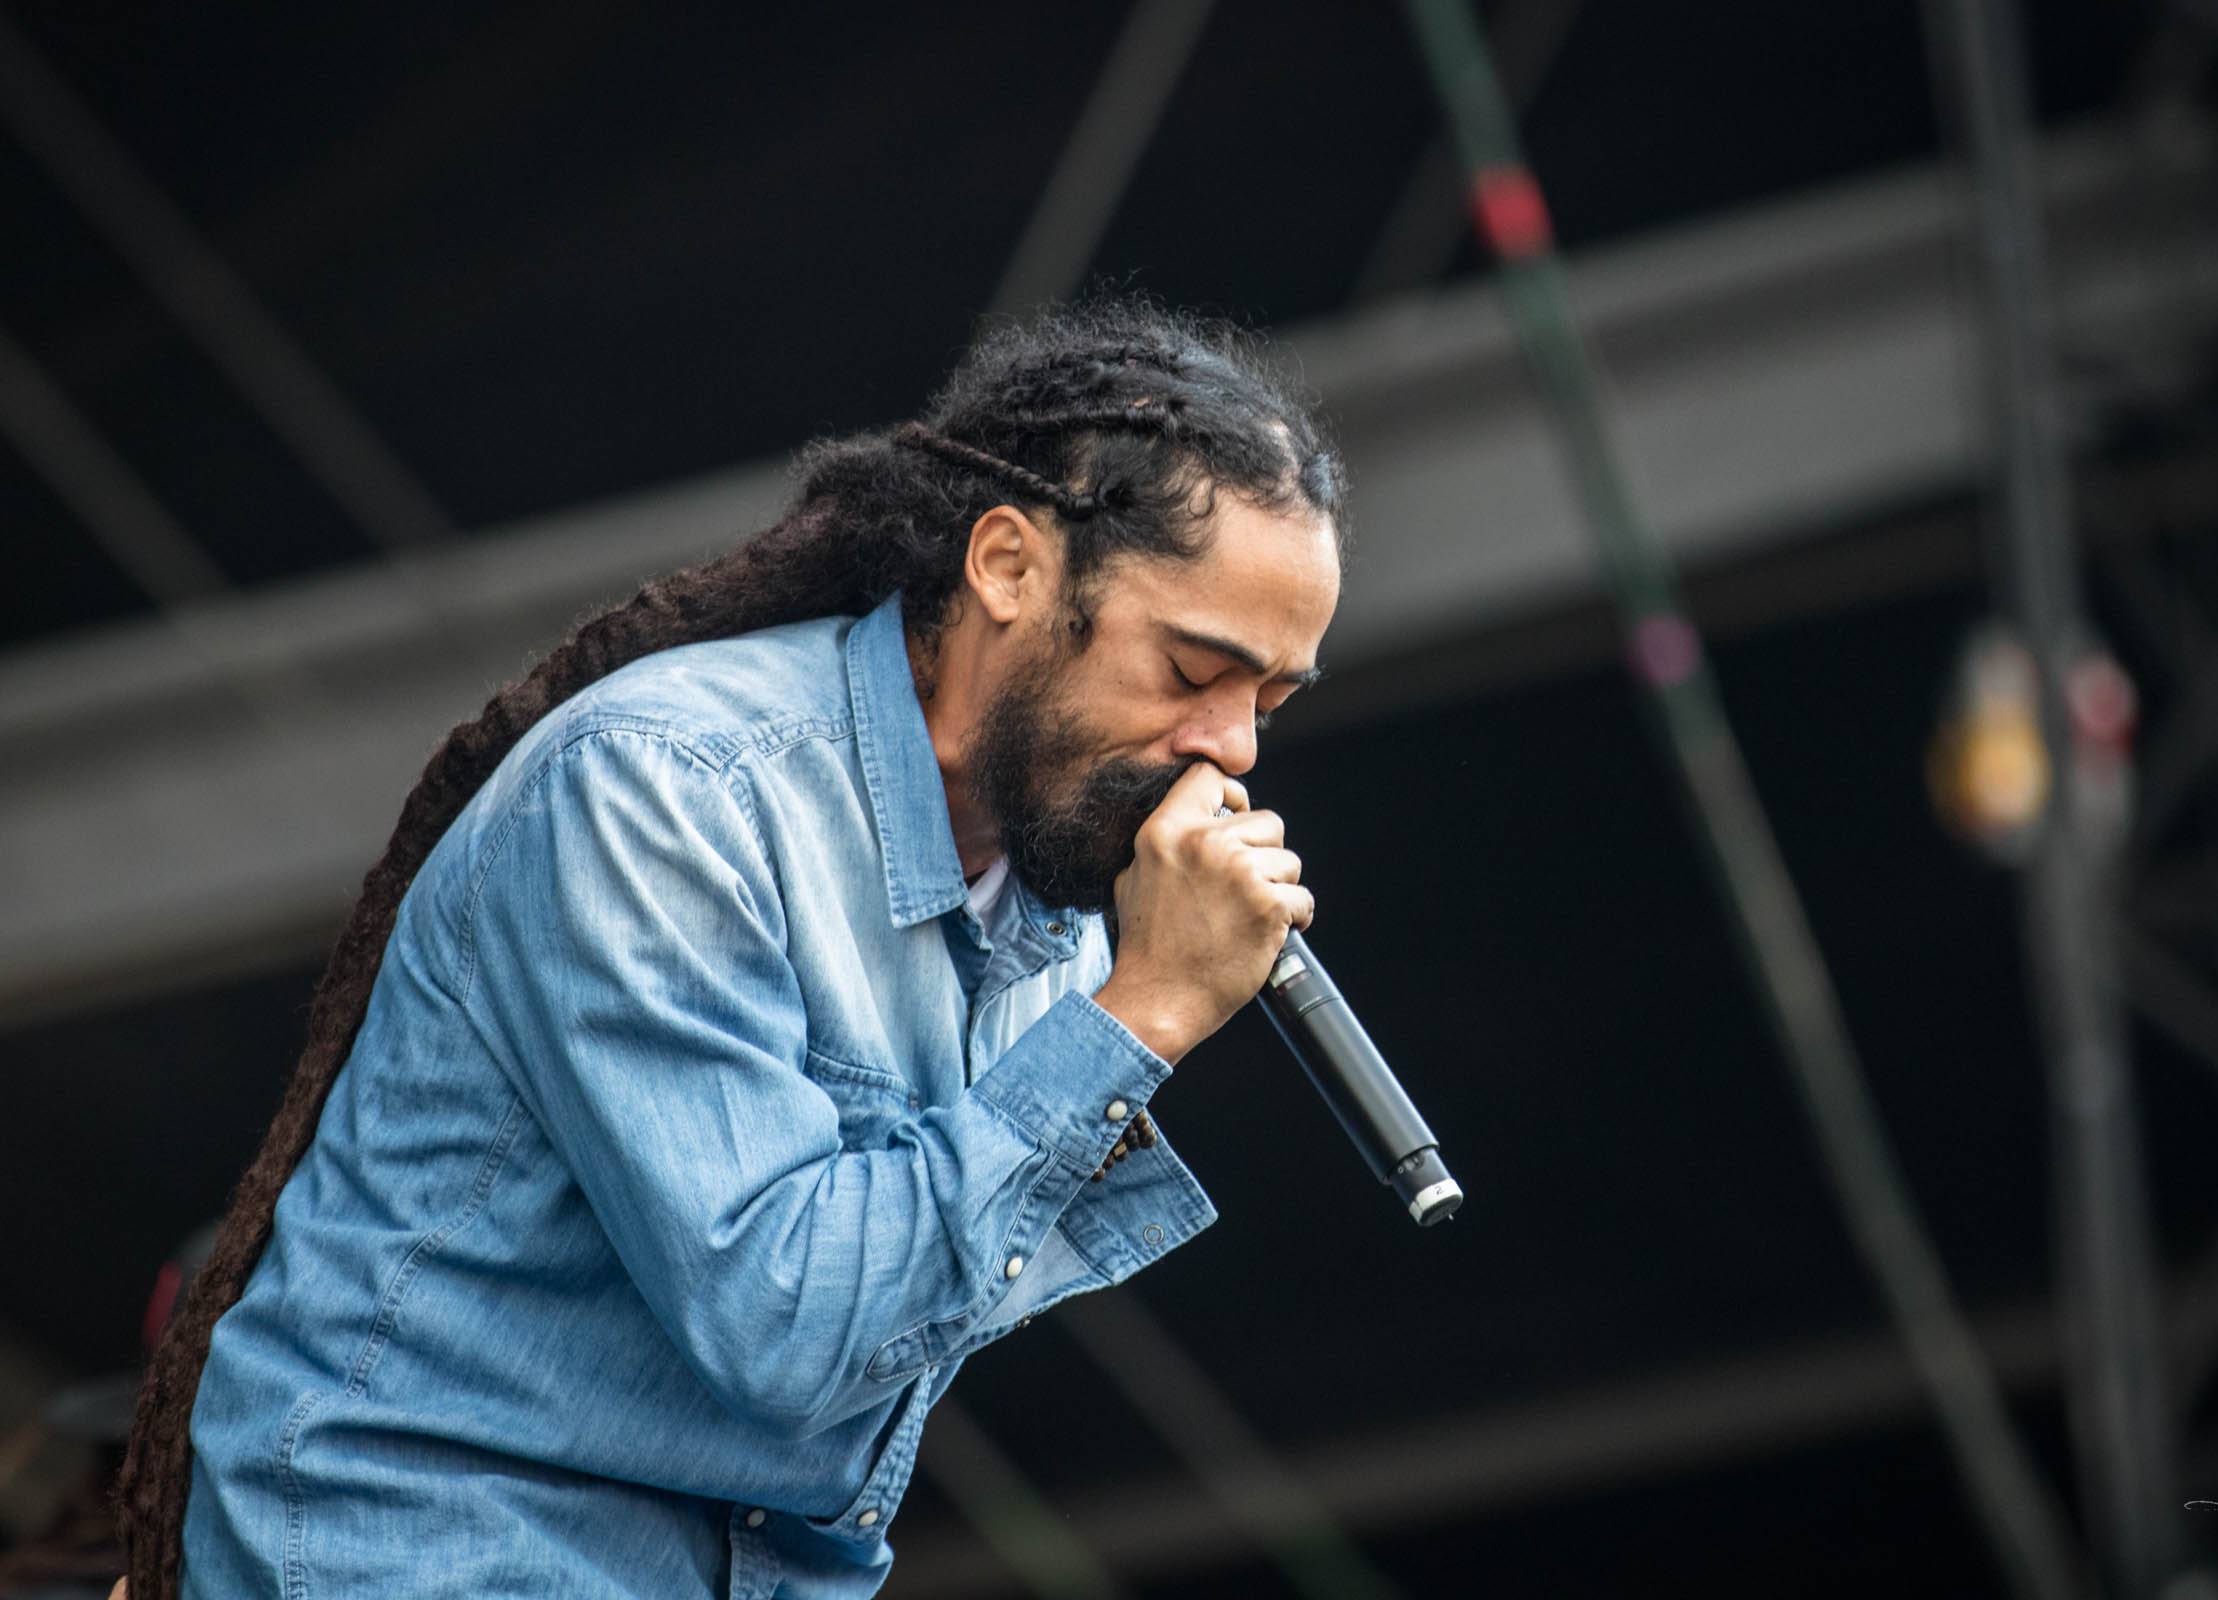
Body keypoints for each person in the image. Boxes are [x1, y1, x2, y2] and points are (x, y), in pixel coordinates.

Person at [109, 299, 1350, 1597]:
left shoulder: (1056, 927)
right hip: (416, 1551)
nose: (1234, 747)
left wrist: (1109, 1013)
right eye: (1193, 667)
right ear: (1008, 566)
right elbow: (788, 1326)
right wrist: (1139, 1019)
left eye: (1268, 698)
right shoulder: (669, 791)